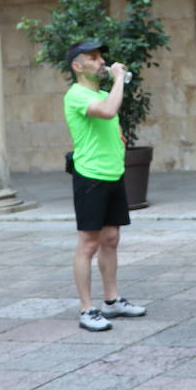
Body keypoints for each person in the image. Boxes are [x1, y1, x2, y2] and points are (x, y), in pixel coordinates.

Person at [63, 39, 146, 332]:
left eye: (102, 57)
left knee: (111, 239)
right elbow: (109, 111)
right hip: (90, 177)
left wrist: (118, 137)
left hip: (113, 175)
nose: (101, 62)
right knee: (88, 244)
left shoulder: (98, 93)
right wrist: (119, 78)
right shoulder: (76, 95)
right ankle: (87, 308)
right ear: (77, 65)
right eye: (93, 57)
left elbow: (110, 120)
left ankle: (112, 301)